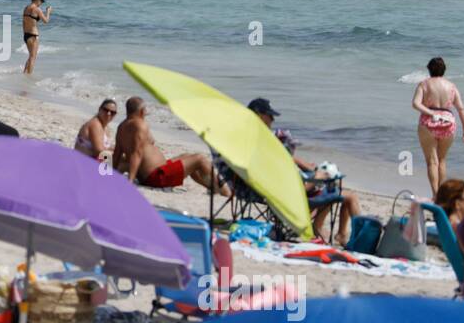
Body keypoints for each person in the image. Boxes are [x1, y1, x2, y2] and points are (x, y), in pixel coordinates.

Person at [248, 97, 362, 244]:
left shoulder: (257, 143)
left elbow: (285, 162)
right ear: (259, 115)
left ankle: (330, 230)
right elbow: (294, 193)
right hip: (291, 196)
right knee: (344, 193)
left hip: (284, 187)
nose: (272, 120)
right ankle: (348, 237)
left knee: (334, 186)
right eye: (270, 116)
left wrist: (306, 167)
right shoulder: (264, 148)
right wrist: (317, 178)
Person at [113, 97, 225, 193]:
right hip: (157, 177)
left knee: (187, 156)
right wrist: (130, 181)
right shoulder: (140, 125)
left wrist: (110, 176)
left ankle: (212, 188)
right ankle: (225, 192)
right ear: (141, 111)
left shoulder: (121, 127)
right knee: (200, 159)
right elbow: (136, 153)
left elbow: (117, 154)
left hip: (156, 173)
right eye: (145, 110)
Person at [411, 57, 464, 197]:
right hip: (448, 123)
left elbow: (415, 104)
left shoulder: (424, 84)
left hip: (428, 124)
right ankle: (442, 196)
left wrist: (431, 112)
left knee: (432, 161)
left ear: (429, 69)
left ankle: (435, 194)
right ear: (444, 70)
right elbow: (461, 109)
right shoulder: (452, 86)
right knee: (442, 160)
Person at [22, 0, 51, 75]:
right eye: (41, 1)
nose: (41, 4)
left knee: (30, 56)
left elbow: (23, 22)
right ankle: (28, 76)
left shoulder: (26, 8)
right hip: (33, 36)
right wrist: (48, 11)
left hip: (26, 35)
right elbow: (46, 21)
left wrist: (24, 34)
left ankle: (24, 73)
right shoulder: (36, 9)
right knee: (33, 57)